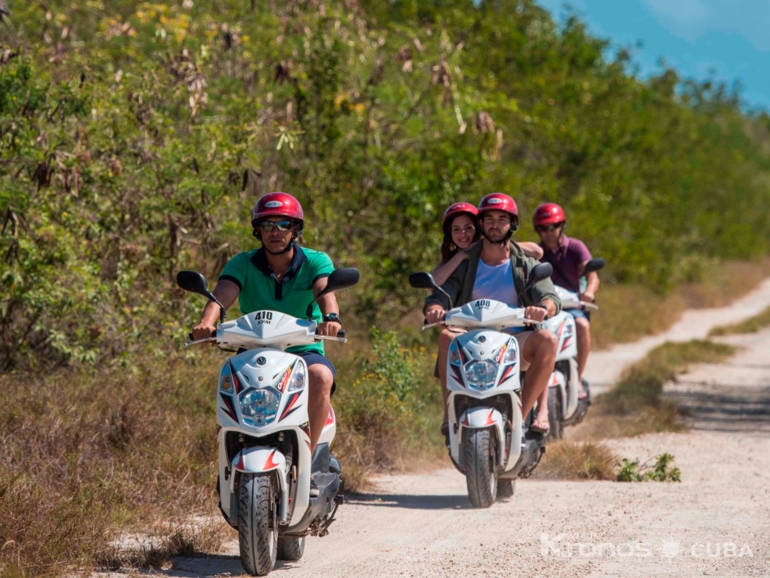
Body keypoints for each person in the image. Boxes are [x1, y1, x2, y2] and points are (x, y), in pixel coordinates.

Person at [192, 192, 342, 495]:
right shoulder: (243, 263)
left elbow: (325, 290)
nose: (276, 231)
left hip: (303, 350)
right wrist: (207, 322)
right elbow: (222, 295)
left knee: (321, 375)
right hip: (255, 350)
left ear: (295, 229)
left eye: (284, 224)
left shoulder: (315, 261)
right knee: (229, 378)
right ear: (257, 230)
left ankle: (311, 461)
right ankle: (231, 454)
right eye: (268, 224)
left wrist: (332, 316)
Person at [424, 193, 561, 438]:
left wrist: (544, 308)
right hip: (471, 342)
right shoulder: (465, 263)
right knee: (446, 336)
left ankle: (519, 417)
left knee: (549, 340)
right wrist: (434, 309)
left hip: (515, 341)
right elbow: (441, 294)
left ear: (513, 225)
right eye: (489, 218)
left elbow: (550, 297)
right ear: (481, 224)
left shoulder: (523, 262)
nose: (495, 224)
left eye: (502, 219)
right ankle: (450, 414)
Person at [533, 202, 600, 401]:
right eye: (543, 228)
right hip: (548, 308)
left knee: (582, 324)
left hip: (572, 306)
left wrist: (588, 292)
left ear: (561, 226)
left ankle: (577, 378)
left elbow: (592, 275)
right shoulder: (536, 253)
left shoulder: (575, 247)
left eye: (552, 226)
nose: (548, 232)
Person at [433, 202, 544, 286]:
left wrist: (498, 244)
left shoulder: (491, 252)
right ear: (449, 234)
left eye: (468, 228)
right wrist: (461, 256)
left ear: (479, 228)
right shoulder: (450, 260)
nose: (463, 234)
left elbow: (537, 252)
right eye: (456, 229)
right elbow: (434, 284)